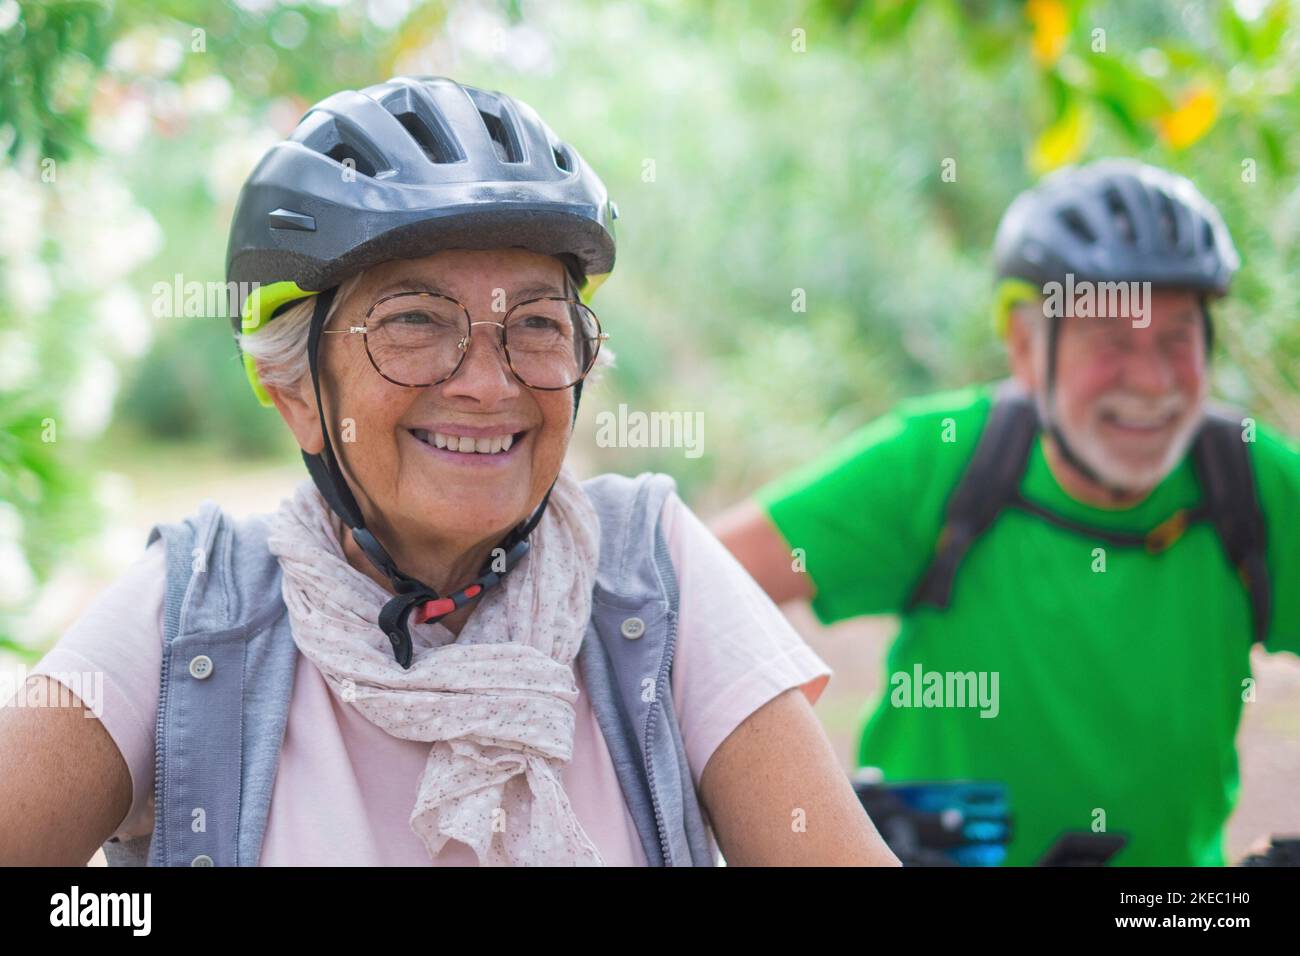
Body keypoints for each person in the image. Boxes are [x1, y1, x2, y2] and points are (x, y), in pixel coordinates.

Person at [0, 76, 898, 867]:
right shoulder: (194, 611)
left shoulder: (649, 576)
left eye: (539, 324)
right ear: (296, 390)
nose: (487, 382)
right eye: (415, 321)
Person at [714, 159, 1300, 866]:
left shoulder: (1248, 478)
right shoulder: (942, 460)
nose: (1151, 381)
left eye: (1177, 339)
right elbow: (689, 591)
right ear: (1027, 349)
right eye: (1111, 342)